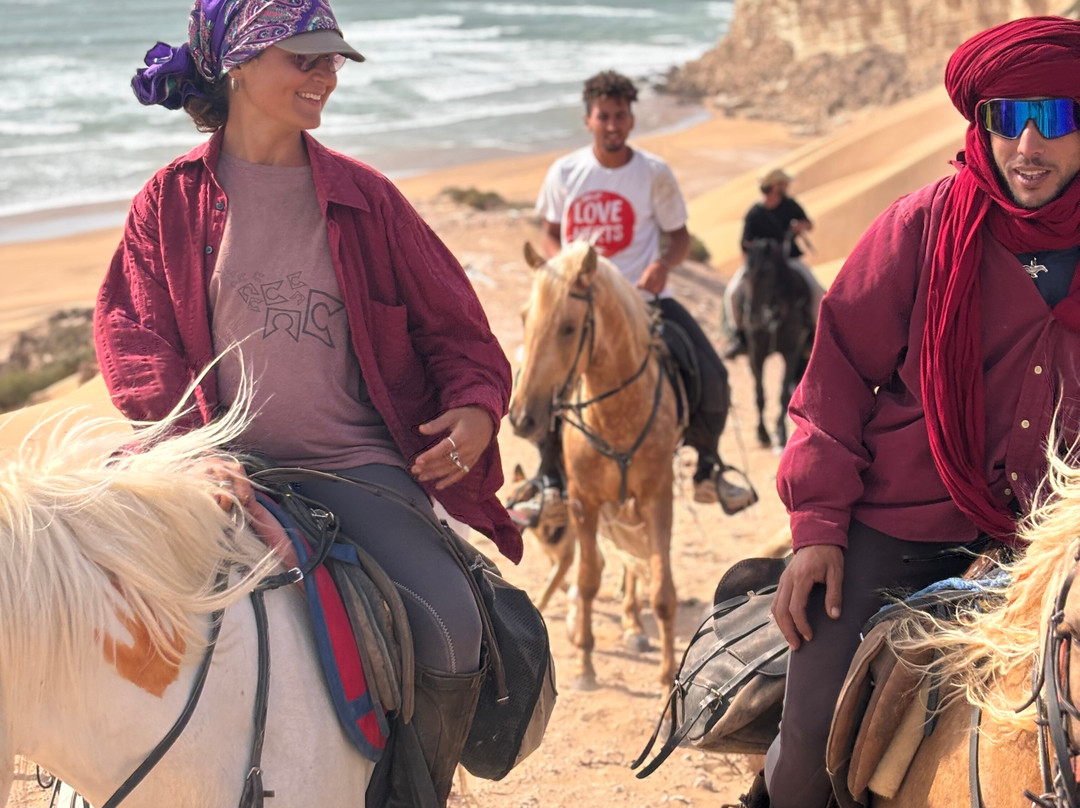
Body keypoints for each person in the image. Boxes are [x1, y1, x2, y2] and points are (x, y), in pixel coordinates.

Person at [92, 1, 519, 806]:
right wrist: (193, 450)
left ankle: (415, 791)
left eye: (333, 62)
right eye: (306, 59)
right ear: (240, 67)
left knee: (454, 624)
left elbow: (458, 333)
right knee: (82, 589)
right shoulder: (168, 202)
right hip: (208, 467)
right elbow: (134, 339)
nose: (326, 76)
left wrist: (475, 409)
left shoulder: (369, 200)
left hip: (352, 467)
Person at [736, 16, 1080, 808]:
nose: (1027, 144)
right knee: (809, 757)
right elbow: (835, 379)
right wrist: (818, 529)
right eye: (1006, 117)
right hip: (905, 521)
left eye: (1054, 118)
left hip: (1055, 535)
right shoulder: (923, 227)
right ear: (980, 123)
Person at [511, 69, 755, 522]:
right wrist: (559, 272)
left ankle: (707, 468)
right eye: (603, 116)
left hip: (639, 300)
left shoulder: (653, 174)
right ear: (588, 120)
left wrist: (662, 266)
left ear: (631, 119)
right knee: (533, 371)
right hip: (577, 302)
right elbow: (549, 233)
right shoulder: (564, 172)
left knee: (712, 371)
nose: (612, 124)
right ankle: (549, 479)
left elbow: (678, 237)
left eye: (620, 116)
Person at [722, 168, 825, 359]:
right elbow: (744, 243)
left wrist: (800, 226)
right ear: (775, 186)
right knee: (733, 293)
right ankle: (738, 336)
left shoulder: (790, 205)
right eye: (784, 184)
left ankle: (816, 338)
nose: (787, 187)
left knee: (818, 292)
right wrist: (749, 267)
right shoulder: (755, 213)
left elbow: (809, 224)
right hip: (759, 266)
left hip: (789, 260)